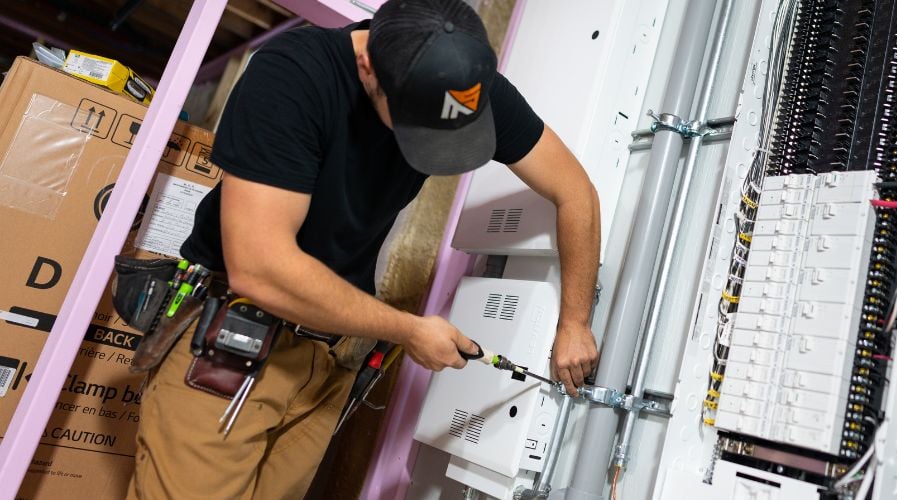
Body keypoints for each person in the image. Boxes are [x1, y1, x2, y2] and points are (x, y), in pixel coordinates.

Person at [127, 0, 601, 497]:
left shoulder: (464, 86)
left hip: (322, 362)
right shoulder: (293, 77)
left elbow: (575, 192)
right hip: (233, 347)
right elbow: (259, 269)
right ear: (368, 66)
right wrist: (408, 330)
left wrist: (574, 321)